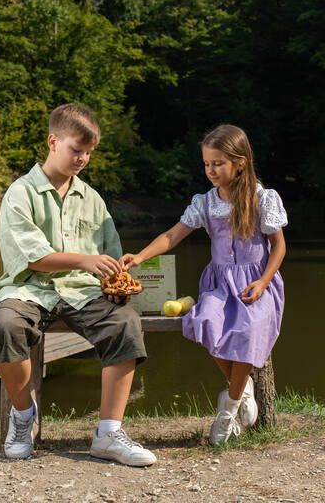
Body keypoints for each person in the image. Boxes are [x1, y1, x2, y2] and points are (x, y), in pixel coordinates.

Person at [0, 103, 156, 466]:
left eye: (88, 153)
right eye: (75, 149)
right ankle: (22, 415)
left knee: (124, 323)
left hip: (82, 291)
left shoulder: (92, 199)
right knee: (6, 325)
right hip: (28, 287)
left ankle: (109, 433)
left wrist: (116, 274)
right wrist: (85, 260)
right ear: (53, 141)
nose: (82, 158)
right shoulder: (20, 193)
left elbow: (108, 256)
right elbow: (32, 257)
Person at [121, 124, 287, 445]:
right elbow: (172, 235)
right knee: (202, 322)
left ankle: (228, 410)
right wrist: (140, 256)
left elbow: (279, 247)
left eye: (217, 163)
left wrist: (263, 282)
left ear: (239, 162)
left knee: (248, 328)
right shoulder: (205, 203)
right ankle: (242, 388)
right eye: (206, 163)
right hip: (220, 283)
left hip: (257, 281)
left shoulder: (262, 198)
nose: (210, 170)